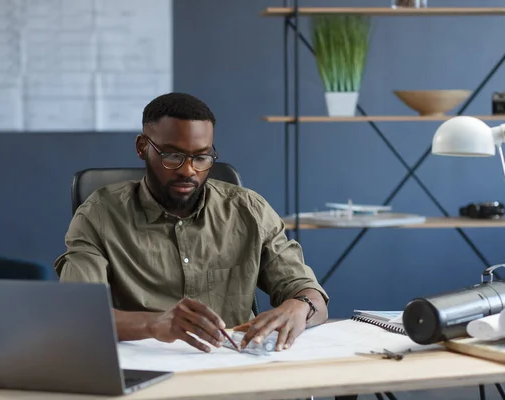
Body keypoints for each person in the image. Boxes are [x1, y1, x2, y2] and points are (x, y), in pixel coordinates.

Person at [54, 92, 329, 353]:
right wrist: (155, 324)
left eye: (201, 157)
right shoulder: (99, 215)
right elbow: (77, 315)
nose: (189, 171)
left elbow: (310, 294)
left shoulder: (249, 209)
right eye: (173, 155)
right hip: (147, 371)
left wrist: (300, 306)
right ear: (142, 147)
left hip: (235, 368)